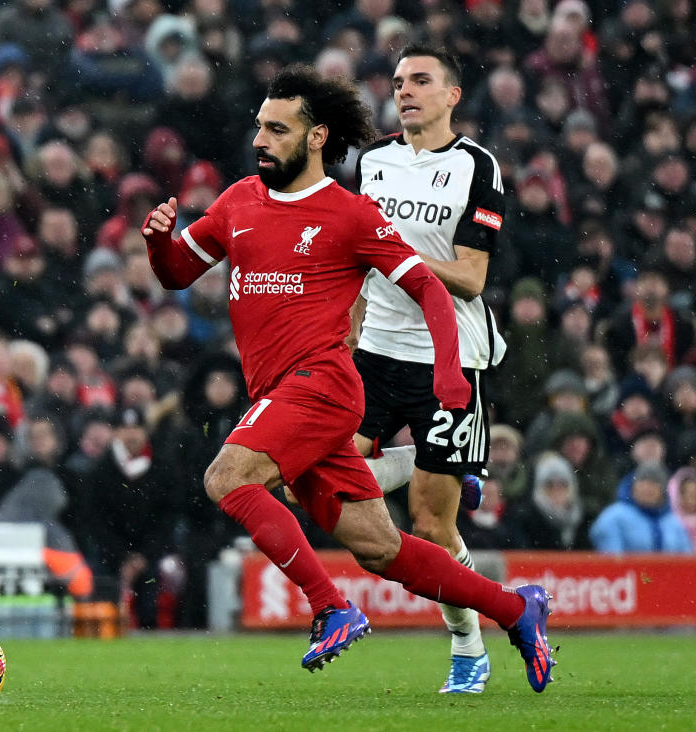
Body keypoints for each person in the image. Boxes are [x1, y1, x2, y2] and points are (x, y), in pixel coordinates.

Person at [142, 64, 553, 690]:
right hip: (282, 393)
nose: (260, 140)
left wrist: (448, 371)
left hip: (322, 385)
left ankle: (331, 606)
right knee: (381, 549)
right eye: (259, 126)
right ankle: (515, 609)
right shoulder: (236, 202)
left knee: (227, 476)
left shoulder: (350, 214)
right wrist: (157, 243)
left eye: (277, 130)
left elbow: (430, 290)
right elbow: (176, 273)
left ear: (315, 137)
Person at [348, 46, 507, 693]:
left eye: (419, 81)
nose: (404, 91)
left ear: (451, 95)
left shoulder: (476, 167)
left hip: (448, 356)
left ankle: (468, 649)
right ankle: (433, 464)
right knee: (314, 478)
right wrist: (346, 334)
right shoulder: (372, 162)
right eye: (396, 82)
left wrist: (395, 252)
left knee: (430, 525)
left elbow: (470, 277)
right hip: (374, 352)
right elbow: (357, 264)